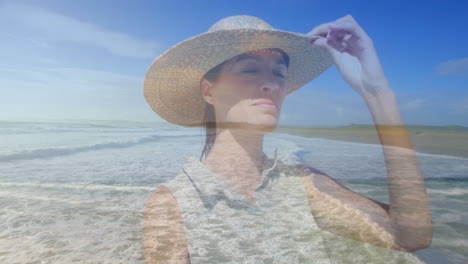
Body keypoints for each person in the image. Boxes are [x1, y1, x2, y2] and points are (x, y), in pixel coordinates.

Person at [141, 15, 432, 263]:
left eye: (279, 73)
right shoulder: (175, 203)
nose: (271, 84)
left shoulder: (302, 185)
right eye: (250, 69)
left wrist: (376, 92)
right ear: (208, 91)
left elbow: (410, 235)